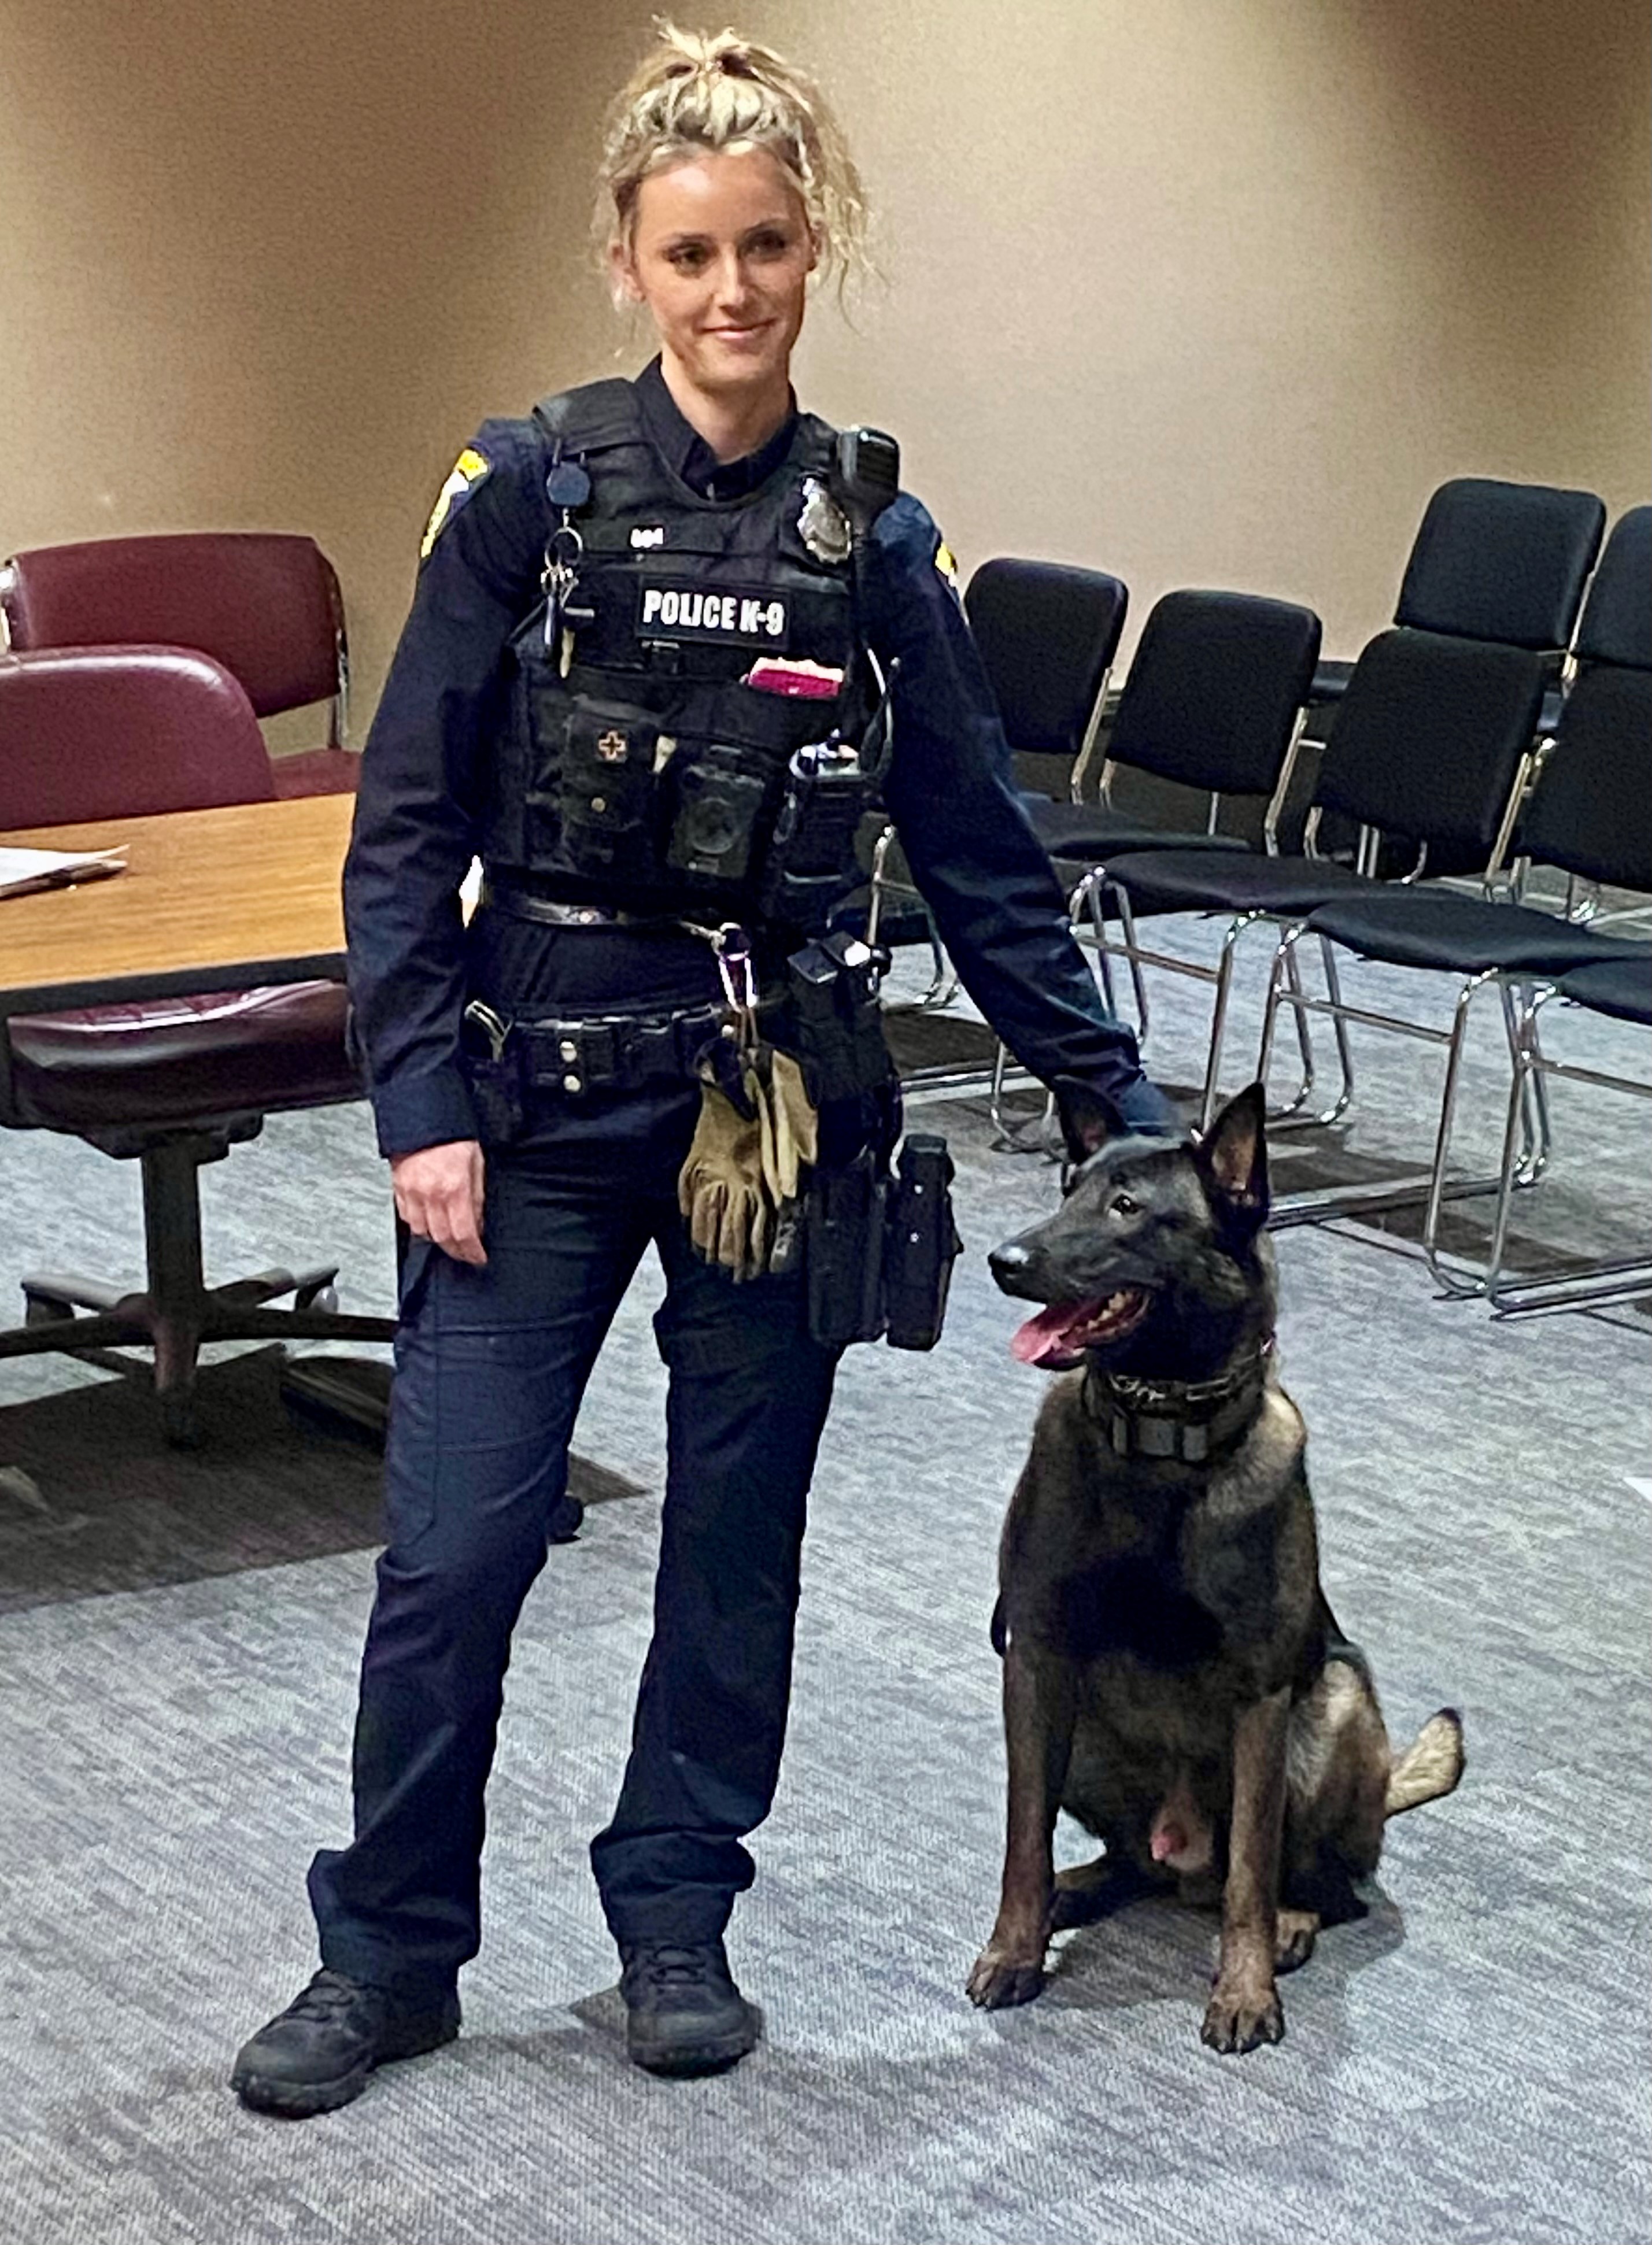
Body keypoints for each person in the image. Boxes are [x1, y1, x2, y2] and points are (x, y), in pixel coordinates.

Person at [231, 23, 1175, 2117]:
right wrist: (416, 1109)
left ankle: (677, 1910)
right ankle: (386, 1952)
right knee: (458, 1546)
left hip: (782, 1106)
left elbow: (974, 843)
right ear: (627, 262)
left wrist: (1113, 1100)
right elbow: (404, 826)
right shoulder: (526, 496)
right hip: (535, 1090)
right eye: (689, 254)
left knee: (732, 1539)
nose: (730, 291)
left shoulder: (874, 538)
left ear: (811, 246)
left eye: (763, 246)